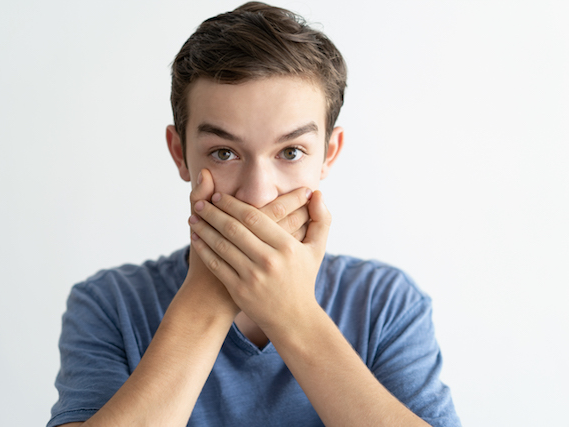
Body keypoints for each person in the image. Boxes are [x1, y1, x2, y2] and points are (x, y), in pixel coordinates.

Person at [47, 2, 461, 426]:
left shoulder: (384, 303)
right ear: (180, 153)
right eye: (224, 153)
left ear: (327, 156)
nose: (258, 193)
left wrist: (292, 315)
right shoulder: (111, 305)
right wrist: (210, 293)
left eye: (291, 152)